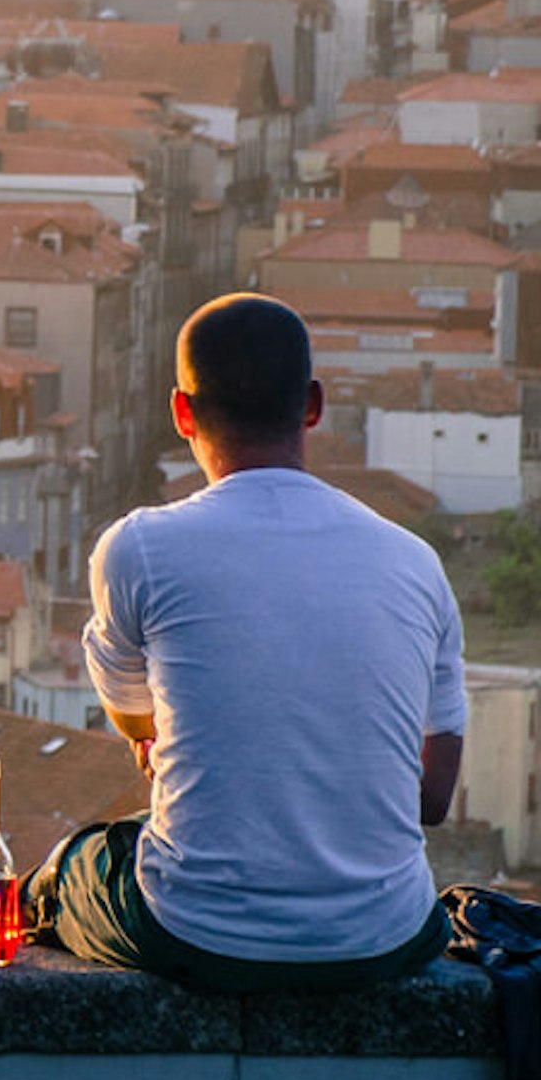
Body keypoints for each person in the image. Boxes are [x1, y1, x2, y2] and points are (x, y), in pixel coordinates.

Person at [28, 293, 463, 992]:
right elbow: (433, 799)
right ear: (313, 405)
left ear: (181, 414)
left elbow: (133, 715)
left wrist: (153, 743)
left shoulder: (140, 547)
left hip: (197, 931)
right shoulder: (413, 560)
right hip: (385, 936)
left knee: (79, 863)